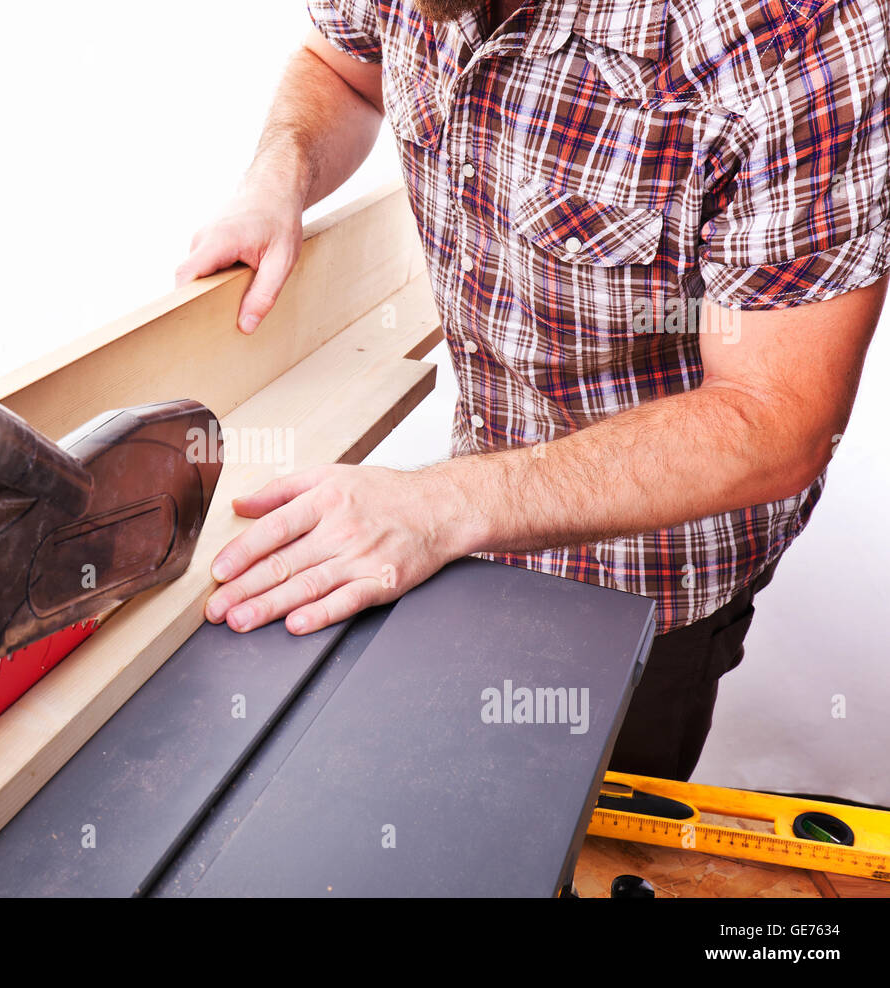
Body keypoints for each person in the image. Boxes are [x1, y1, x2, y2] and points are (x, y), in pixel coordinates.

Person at [175, 0, 889, 780]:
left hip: (645, 586)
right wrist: (278, 175)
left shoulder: (795, 36)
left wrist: (437, 507)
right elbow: (339, 72)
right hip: (467, 523)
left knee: (561, 841)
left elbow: (778, 417)